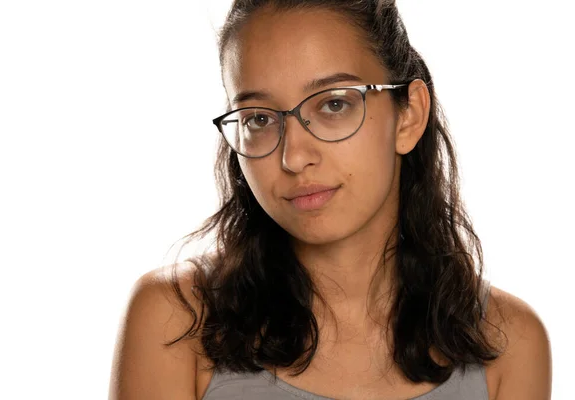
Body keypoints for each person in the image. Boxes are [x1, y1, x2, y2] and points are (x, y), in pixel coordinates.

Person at [109, 1, 552, 399]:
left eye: (334, 105)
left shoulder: (509, 345)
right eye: (259, 118)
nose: (294, 156)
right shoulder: (175, 323)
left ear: (409, 115)